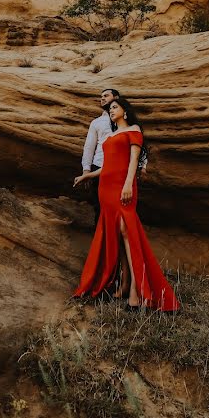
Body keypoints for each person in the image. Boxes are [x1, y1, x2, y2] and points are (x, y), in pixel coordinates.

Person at [72, 98, 180, 312]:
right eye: (109, 108)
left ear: (125, 111)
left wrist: (129, 183)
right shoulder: (110, 135)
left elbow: (133, 161)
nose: (110, 110)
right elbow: (107, 166)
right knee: (118, 236)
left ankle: (137, 293)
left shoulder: (134, 129)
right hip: (106, 188)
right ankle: (126, 285)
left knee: (126, 231)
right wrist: (88, 176)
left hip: (123, 186)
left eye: (114, 107)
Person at [80, 88, 146, 224]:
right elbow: (89, 146)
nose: (102, 98)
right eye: (101, 96)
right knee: (101, 207)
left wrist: (143, 164)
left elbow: (137, 144)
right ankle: (104, 240)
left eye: (106, 95)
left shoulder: (127, 124)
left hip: (123, 170)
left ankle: (120, 241)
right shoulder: (97, 122)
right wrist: (86, 170)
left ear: (116, 97)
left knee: (124, 207)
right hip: (100, 167)